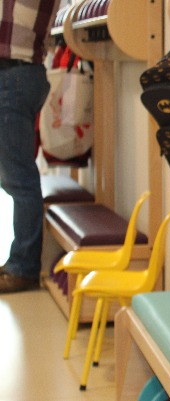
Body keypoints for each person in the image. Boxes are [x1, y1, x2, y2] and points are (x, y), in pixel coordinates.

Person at [0, 0, 60, 293]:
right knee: (15, 176)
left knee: (19, 179)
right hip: (17, 74)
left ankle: (23, 268)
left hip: (14, 75)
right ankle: (20, 262)